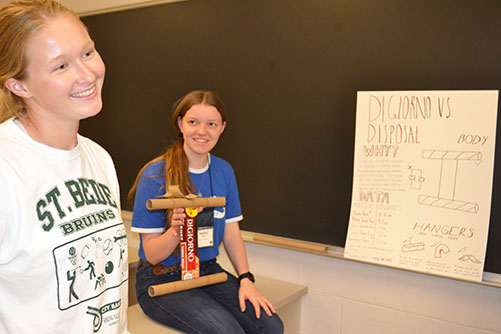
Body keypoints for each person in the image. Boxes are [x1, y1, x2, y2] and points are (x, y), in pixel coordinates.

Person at [0, 1, 128, 333]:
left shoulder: (98, 157)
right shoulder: (6, 169)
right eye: (61, 66)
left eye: (87, 53)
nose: (88, 74)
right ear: (19, 85)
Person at [129, 90, 283, 334]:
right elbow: (152, 254)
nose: (202, 132)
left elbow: (232, 234)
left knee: (270, 326)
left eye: (211, 124)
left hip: (207, 270)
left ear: (222, 127)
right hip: (162, 279)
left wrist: (246, 279)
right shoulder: (155, 175)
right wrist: (175, 232)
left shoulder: (224, 171)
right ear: (180, 124)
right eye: (193, 122)